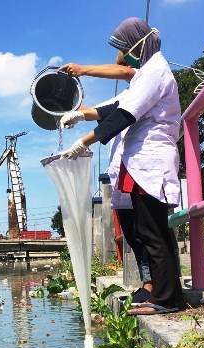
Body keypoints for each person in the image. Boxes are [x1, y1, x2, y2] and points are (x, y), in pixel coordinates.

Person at [59, 17, 183, 314]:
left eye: (126, 47)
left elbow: (124, 115)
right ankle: (163, 294)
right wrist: (81, 115)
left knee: (153, 230)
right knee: (147, 228)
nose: (124, 53)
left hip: (150, 158)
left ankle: (167, 298)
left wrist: (83, 142)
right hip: (139, 160)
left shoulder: (155, 71)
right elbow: (116, 106)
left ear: (139, 44)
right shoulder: (147, 73)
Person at [57, 62, 153, 303]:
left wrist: (82, 70)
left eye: (120, 61)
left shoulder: (146, 85)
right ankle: (147, 283)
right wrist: (71, 111)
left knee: (146, 232)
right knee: (131, 233)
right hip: (122, 173)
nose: (117, 67)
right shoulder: (127, 94)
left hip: (140, 168)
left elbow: (117, 110)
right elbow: (100, 111)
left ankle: (153, 286)